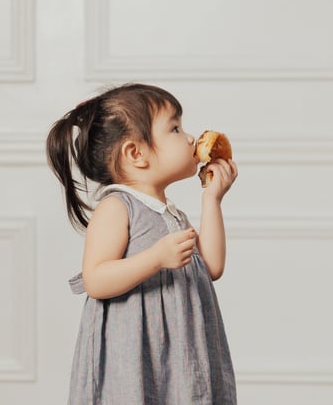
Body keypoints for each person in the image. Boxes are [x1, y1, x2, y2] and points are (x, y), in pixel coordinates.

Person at [45, 83, 238, 404]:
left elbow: (212, 267)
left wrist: (212, 199)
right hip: (137, 353)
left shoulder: (171, 214)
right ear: (136, 154)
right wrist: (156, 259)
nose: (190, 138)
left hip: (180, 352)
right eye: (175, 128)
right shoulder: (117, 208)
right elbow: (95, 279)